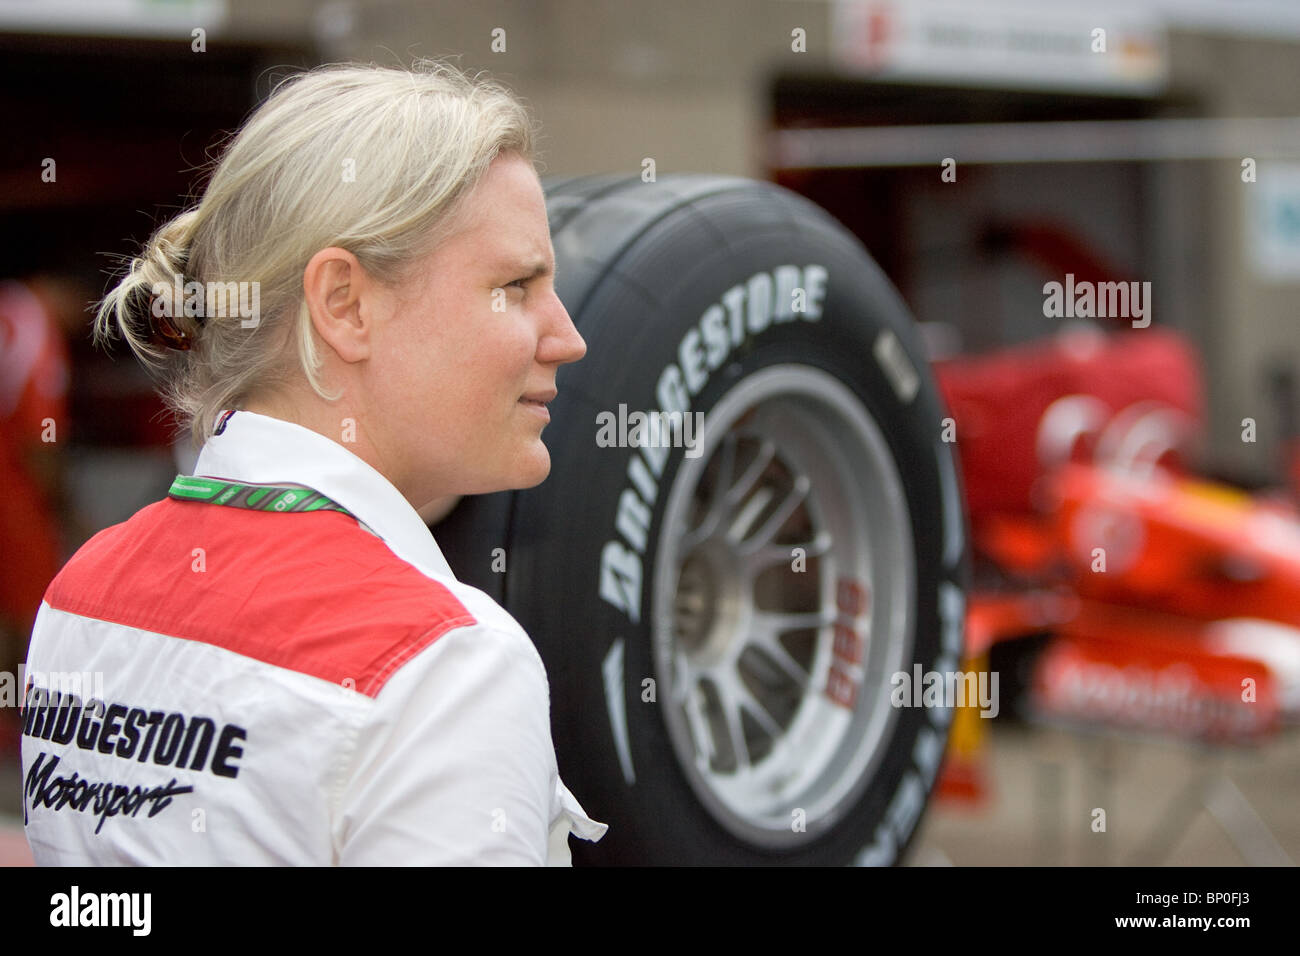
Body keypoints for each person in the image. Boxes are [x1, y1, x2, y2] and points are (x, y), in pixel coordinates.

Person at [20, 60, 607, 865]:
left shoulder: (81, 591)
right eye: (515, 286)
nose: (567, 336)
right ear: (344, 304)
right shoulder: (448, 664)